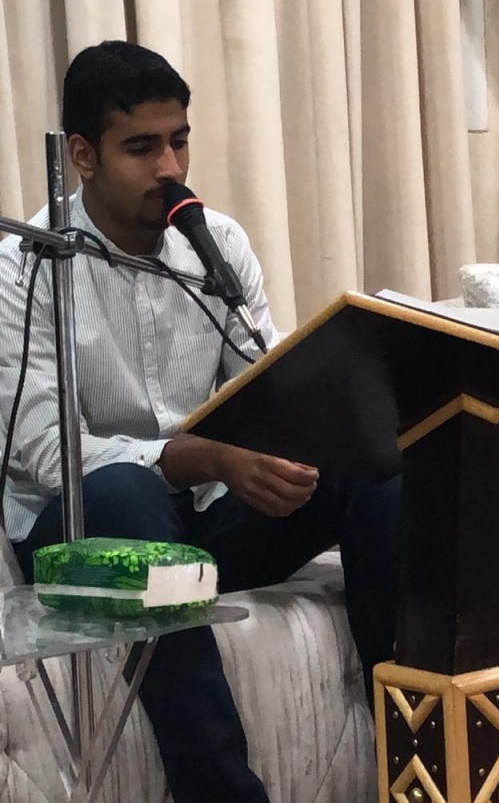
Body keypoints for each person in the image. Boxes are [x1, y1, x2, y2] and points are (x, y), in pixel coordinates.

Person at [0, 41, 401, 803]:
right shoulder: (25, 266)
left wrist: (304, 439)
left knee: (372, 458)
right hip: (81, 534)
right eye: (142, 148)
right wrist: (207, 458)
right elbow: (49, 454)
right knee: (128, 495)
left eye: (179, 141)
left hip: (201, 524)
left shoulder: (217, 245)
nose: (171, 168)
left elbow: (268, 390)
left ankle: (418, 748)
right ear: (83, 156)